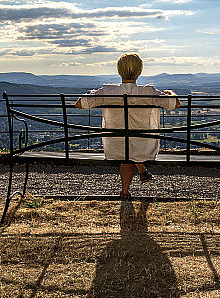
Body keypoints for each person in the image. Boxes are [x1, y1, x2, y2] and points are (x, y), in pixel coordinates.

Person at [75, 53, 180, 200]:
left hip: (115, 143)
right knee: (132, 145)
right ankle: (140, 171)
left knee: (127, 150)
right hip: (144, 143)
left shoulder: (108, 91)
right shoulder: (148, 91)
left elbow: (79, 103)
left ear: (119, 71)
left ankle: (125, 192)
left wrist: (92, 93)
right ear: (139, 71)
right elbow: (175, 104)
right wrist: (170, 93)